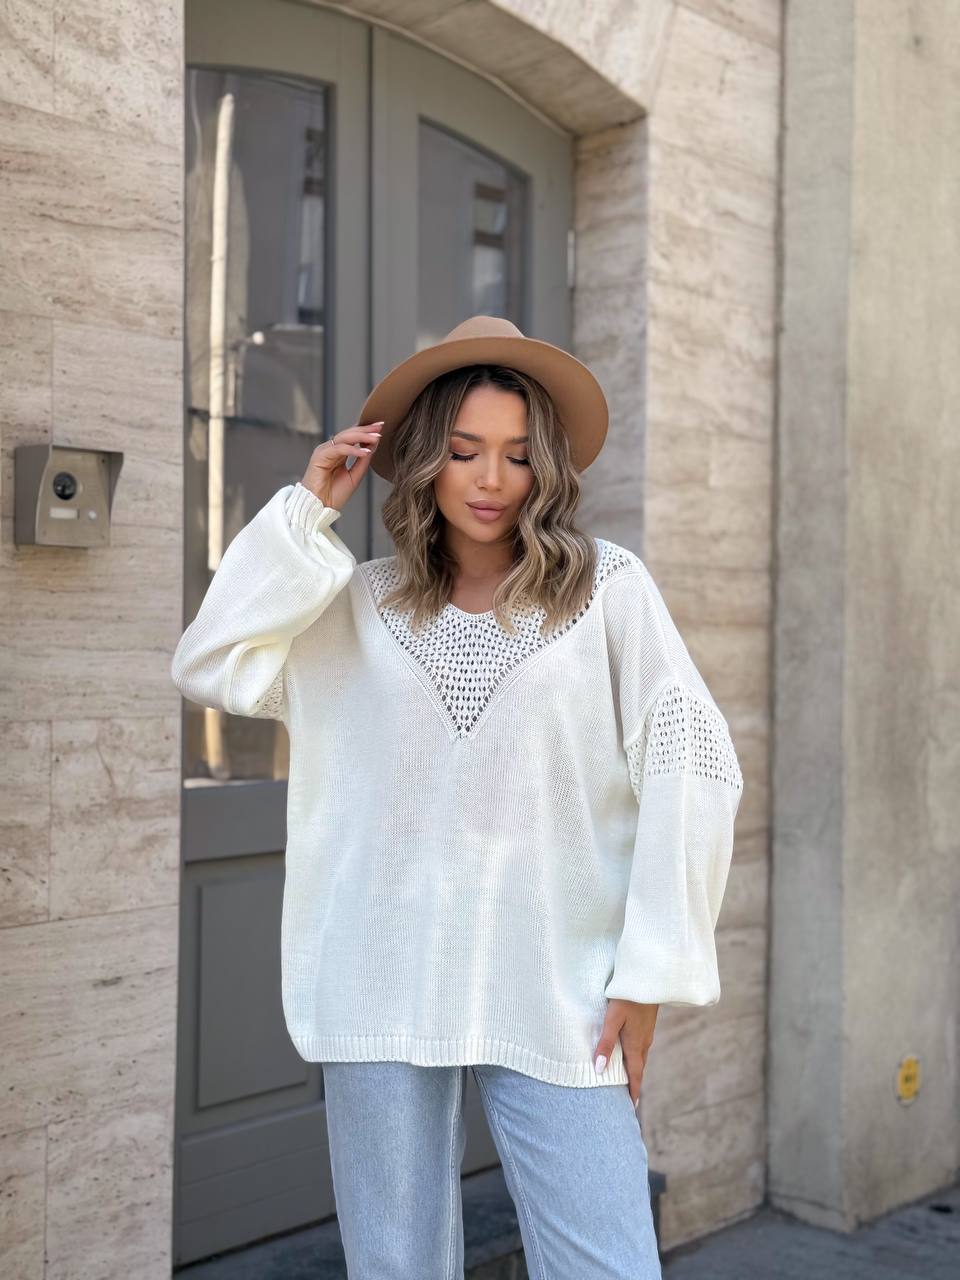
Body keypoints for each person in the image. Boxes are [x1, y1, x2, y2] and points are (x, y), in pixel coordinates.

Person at [171, 314, 745, 1279]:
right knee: (394, 1266)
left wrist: (649, 972)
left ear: (545, 467)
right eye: (466, 450)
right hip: (380, 975)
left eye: (518, 455)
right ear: (426, 460)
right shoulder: (356, 606)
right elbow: (210, 662)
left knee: (607, 1262)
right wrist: (304, 515)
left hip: (560, 985)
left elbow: (692, 762)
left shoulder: (608, 591)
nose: (492, 480)